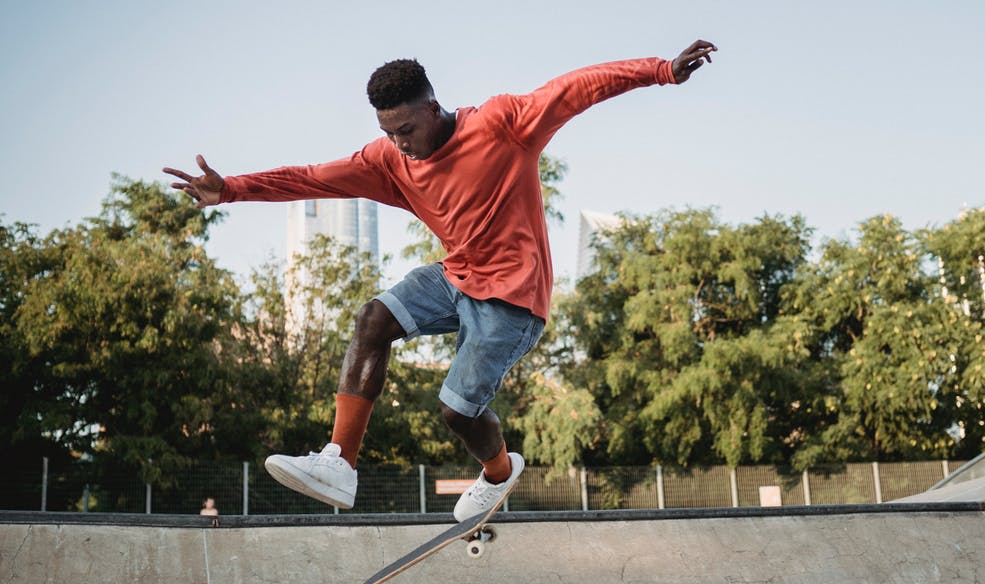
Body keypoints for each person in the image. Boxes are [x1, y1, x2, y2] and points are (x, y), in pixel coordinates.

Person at [164, 39, 717, 521]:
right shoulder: (389, 161)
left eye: (407, 129)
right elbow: (315, 178)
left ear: (433, 107)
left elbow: (576, 88)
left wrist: (662, 69)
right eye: (389, 132)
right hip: (455, 278)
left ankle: (499, 474)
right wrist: (231, 188)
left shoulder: (503, 123)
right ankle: (339, 463)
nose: (401, 143)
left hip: (512, 300)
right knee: (373, 319)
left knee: (456, 411)